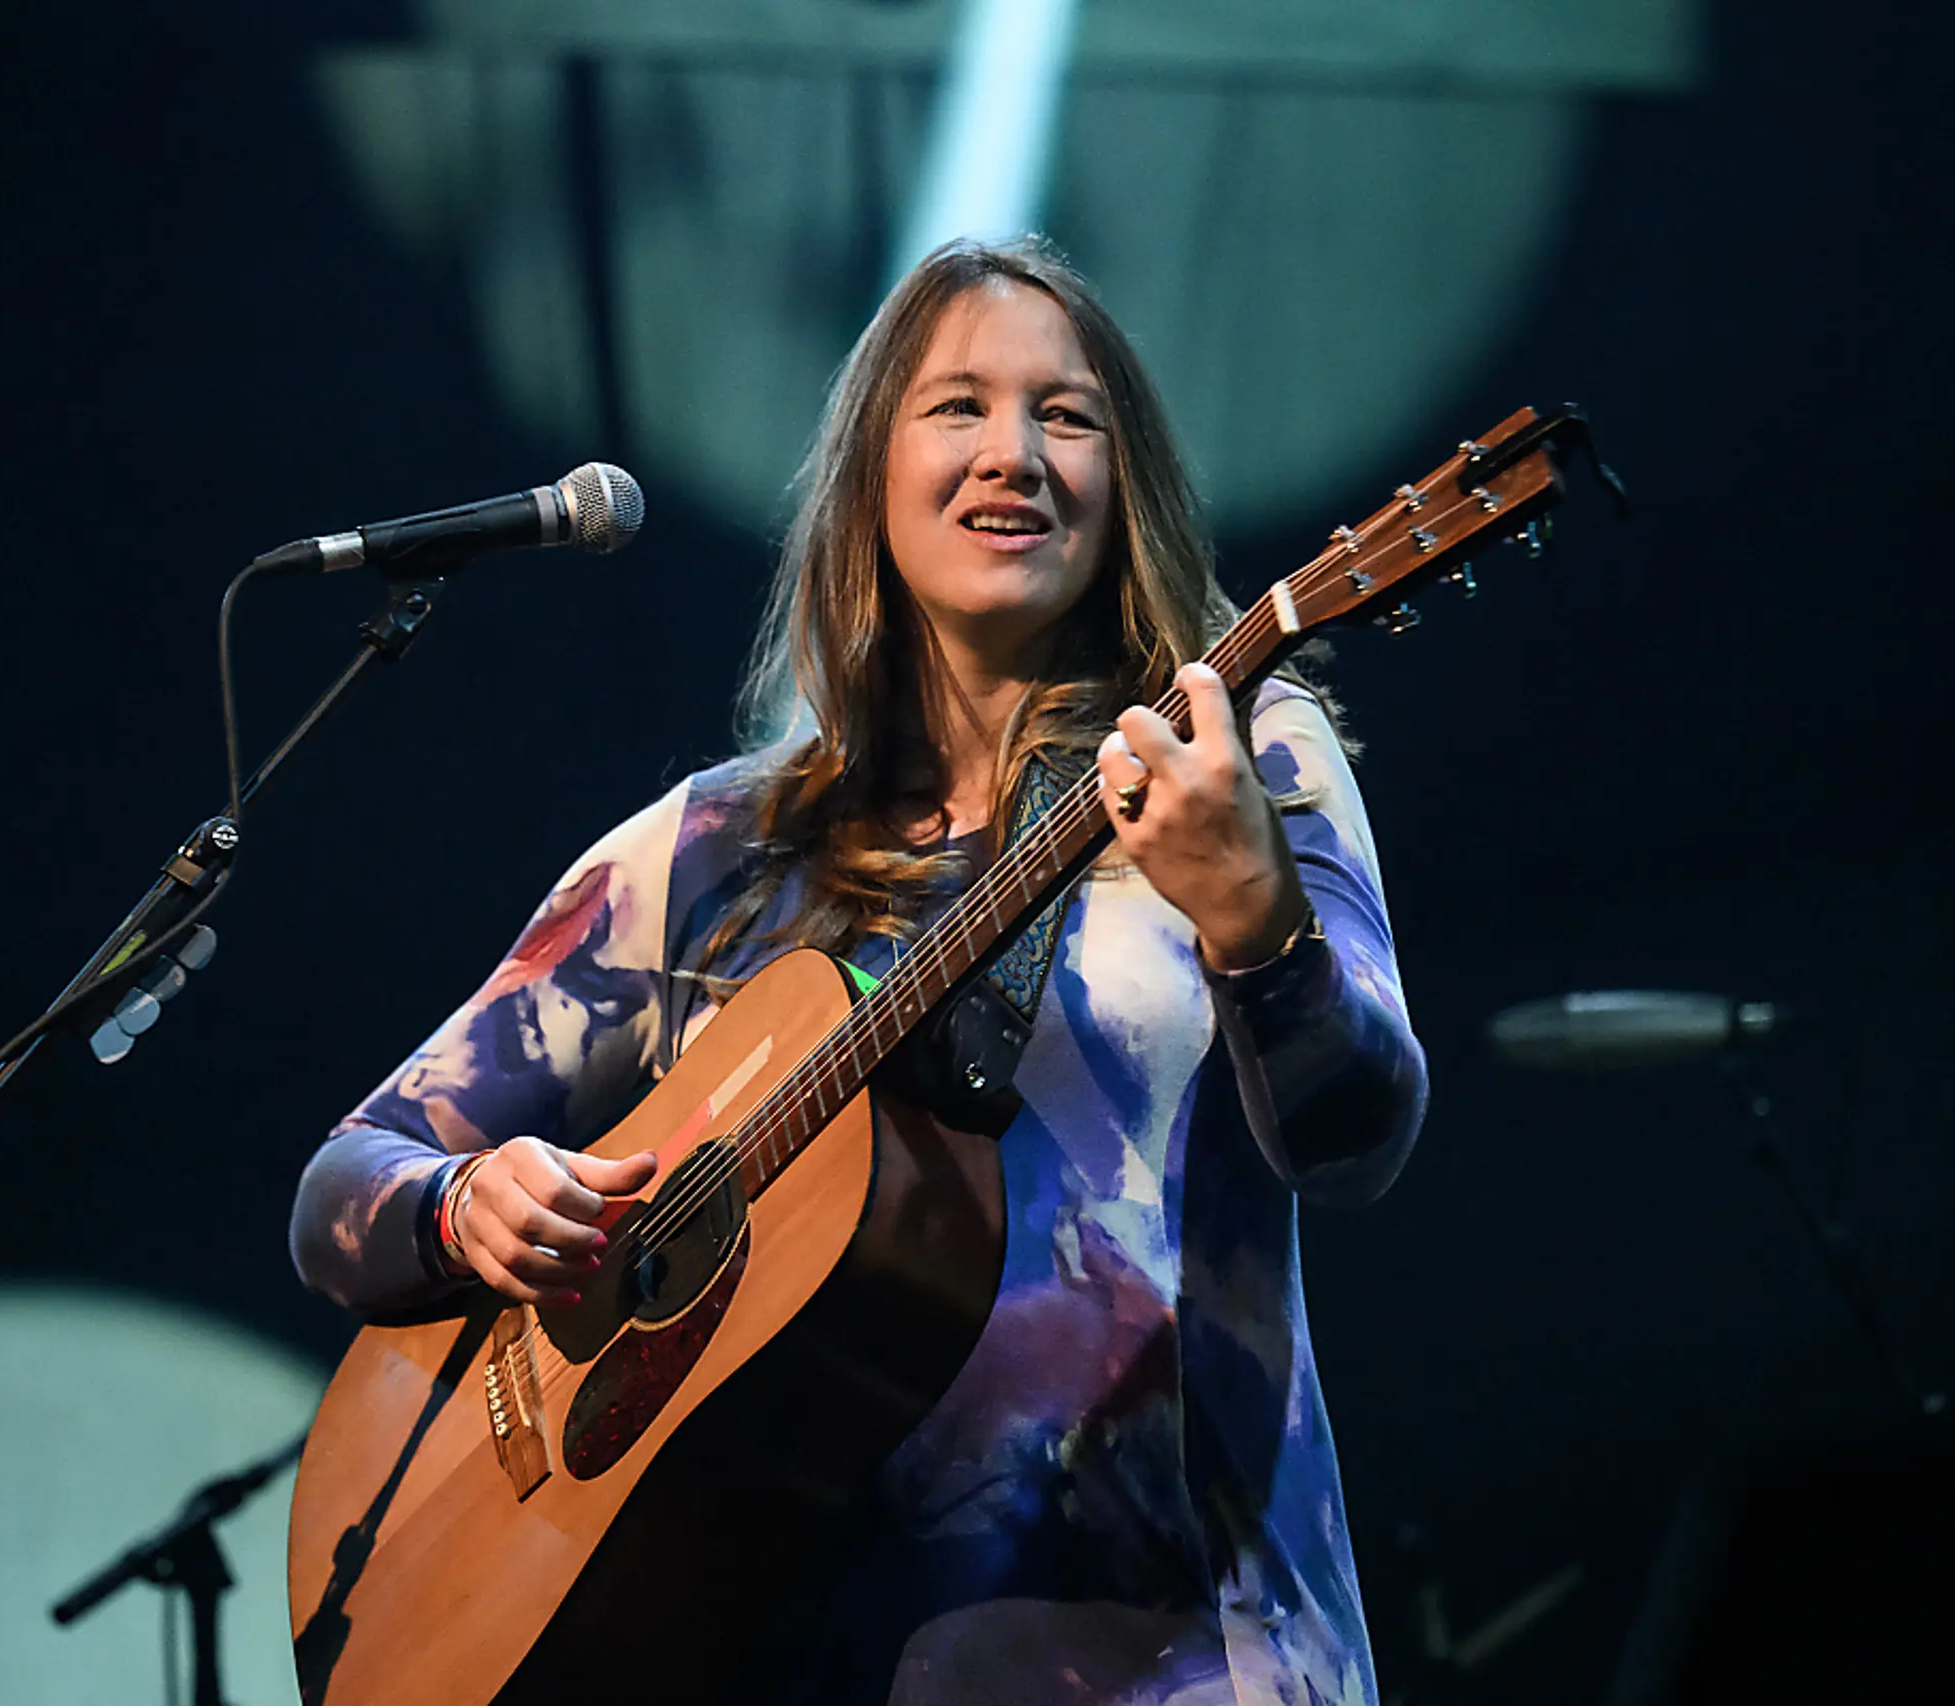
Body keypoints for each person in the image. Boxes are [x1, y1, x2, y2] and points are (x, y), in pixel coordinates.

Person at [290, 236, 1426, 1705]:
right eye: (956, 406)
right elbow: (340, 1189)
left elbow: (1360, 1137)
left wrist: (1258, 919)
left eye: (1066, 414)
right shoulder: (718, 848)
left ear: (1124, 479)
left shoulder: (1235, 761)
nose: (1012, 452)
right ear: (868, 478)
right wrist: (465, 1203)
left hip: (1188, 1656)